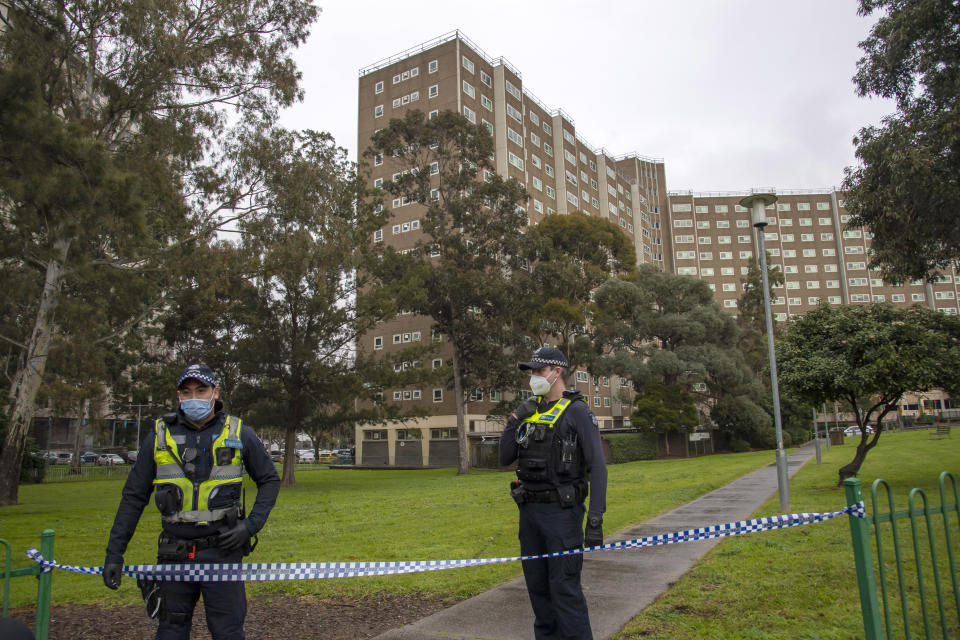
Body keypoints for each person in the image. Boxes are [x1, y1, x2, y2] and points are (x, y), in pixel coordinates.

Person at [103, 364, 280, 639]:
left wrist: (250, 526)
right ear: (178, 396)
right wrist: (114, 554)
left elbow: (269, 479)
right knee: (171, 631)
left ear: (215, 392)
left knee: (228, 631)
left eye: (201, 390)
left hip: (222, 552)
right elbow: (133, 498)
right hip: (174, 553)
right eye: (187, 392)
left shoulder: (239, 433)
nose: (193, 397)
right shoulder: (159, 436)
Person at [499, 346, 608, 640]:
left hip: (562, 514)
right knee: (538, 590)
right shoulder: (530, 412)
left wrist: (595, 519)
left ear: (556, 372)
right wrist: (513, 419)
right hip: (530, 515)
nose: (533, 377)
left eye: (538, 371)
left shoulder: (577, 412)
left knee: (564, 591)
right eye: (532, 372)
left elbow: (598, 466)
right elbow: (504, 457)